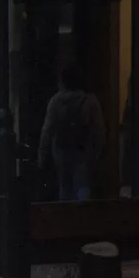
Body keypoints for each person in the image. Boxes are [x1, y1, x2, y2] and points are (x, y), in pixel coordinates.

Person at [38, 67, 105, 201]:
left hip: (61, 150)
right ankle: (81, 216)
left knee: (64, 186)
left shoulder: (55, 101)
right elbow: (99, 129)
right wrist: (97, 152)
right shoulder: (89, 100)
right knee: (83, 186)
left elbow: (47, 130)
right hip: (83, 150)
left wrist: (41, 156)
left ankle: (66, 216)